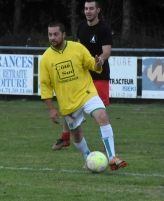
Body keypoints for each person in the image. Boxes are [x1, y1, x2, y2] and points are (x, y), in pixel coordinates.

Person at [40, 21, 127, 171]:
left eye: (56, 34)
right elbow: (45, 86)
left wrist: (98, 63)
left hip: (87, 93)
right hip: (68, 103)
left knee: (102, 116)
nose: (52, 37)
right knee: (77, 134)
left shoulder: (77, 48)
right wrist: (51, 109)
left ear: (64, 35)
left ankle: (112, 158)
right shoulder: (46, 58)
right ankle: (89, 159)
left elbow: (91, 64)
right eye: (50, 35)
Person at [52, 0, 113, 151]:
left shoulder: (104, 29)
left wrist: (100, 60)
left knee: (100, 111)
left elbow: (107, 51)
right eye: (86, 8)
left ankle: (106, 143)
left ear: (98, 10)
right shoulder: (81, 26)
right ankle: (65, 138)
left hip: (99, 75)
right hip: (82, 75)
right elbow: (77, 47)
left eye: (91, 8)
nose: (88, 11)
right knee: (70, 107)